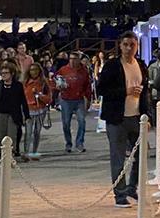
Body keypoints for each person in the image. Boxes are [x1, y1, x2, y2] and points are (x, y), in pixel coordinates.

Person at [97, 31, 150, 208]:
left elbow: (145, 93)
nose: (129, 48)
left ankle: (131, 187)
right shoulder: (112, 65)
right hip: (116, 118)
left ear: (137, 46)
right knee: (118, 157)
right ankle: (119, 194)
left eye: (132, 45)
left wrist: (147, 115)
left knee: (140, 155)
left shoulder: (141, 65)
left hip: (136, 117)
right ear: (120, 45)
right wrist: (124, 92)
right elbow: (102, 89)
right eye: (125, 44)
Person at [0, 63, 30, 163]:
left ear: (12, 73)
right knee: (0, 137)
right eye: (2, 73)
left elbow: (23, 101)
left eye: (6, 73)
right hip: (0, 114)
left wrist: (27, 115)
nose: (3, 75)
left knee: (11, 136)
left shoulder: (18, 86)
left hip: (13, 115)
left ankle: (10, 158)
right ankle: (2, 159)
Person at [54, 52, 93, 153]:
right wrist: (58, 86)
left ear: (79, 60)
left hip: (79, 99)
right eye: (70, 58)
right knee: (66, 123)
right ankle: (68, 143)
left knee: (81, 121)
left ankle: (79, 142)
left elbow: (87, 86)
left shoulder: (84, 71)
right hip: (66, 99)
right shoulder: (63, 70)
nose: (72, 61)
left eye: (75, 59)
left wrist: (88, 99)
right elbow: (55, 79)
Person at [23, 62, 52, 160]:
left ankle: (34, 152)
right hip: (29, 110)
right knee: (28, 132)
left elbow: (49, 99)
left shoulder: (44, 83)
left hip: (40, 110)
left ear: (39, 71)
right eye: (31, 70)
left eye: (35, 69)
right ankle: (26, 153)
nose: (33, 72)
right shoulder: (25, 83)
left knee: (37, 132)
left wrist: (39, 95)